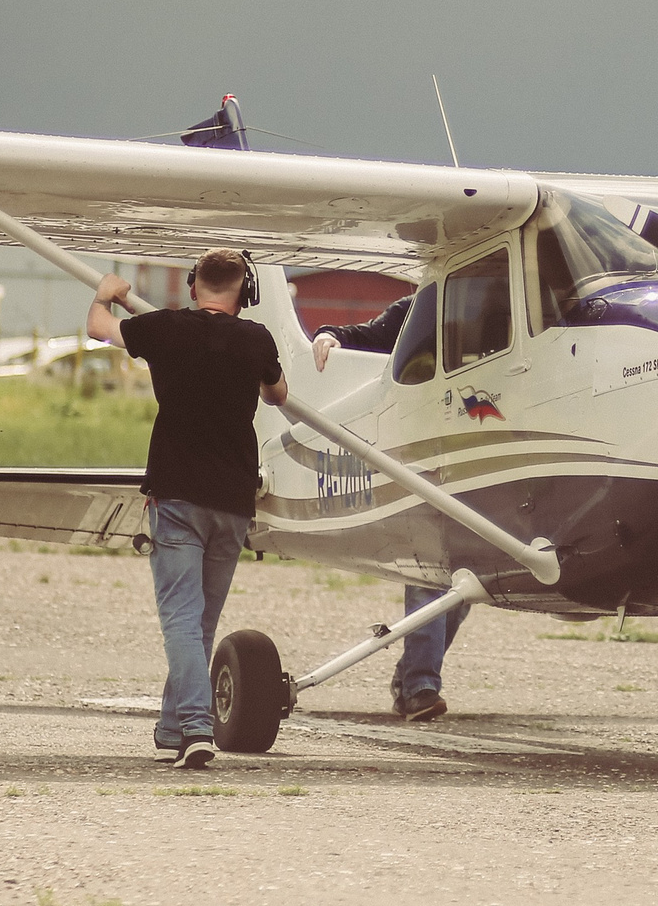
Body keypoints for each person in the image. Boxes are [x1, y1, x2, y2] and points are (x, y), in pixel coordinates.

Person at [85, 251, 286, 768]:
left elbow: (98, 327)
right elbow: (278, 394)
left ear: (194, 287)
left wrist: (108, 293)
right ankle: (172, 729)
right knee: (200, 623)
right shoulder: (257, 339)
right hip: (233, 500)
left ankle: (197, 727)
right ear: (245, 292)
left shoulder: (165, 328)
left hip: (177, 495)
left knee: (180, 619)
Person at [311, 292, 464, 723]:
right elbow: (368, 335)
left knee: (471, 578)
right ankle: (419, 686)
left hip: (482, 455)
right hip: (428, 455)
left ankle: (412, 678)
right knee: (432, 569)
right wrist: (331, 335)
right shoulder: (429, 301)